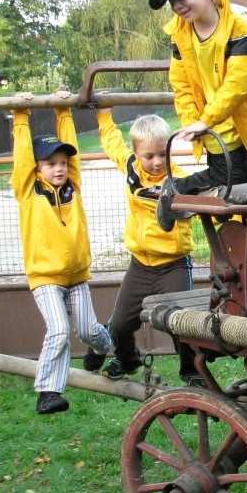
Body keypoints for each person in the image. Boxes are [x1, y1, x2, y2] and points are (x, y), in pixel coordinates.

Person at [149, 0, 247, 230]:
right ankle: (177, 190)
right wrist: (192, 122)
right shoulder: (180, 36)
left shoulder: (238, 30)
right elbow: (181, 84)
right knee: (226, 192)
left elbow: (239, 84)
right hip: (216, 131)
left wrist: (205, 119)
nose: (177, 5)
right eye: (171, 1)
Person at [10, 97, 113, 415]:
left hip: (77, 275)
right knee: (58, 330)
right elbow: (21, 158)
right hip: (45, 277)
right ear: (37, 168)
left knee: (89, 331)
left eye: (62, 163)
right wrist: (20, 116)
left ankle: (103, 347)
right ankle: (48, 391)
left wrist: (64, 111)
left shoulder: (73, 187)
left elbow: (74, 155)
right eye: (50, 164)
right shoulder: (29, 191)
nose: (59, 169)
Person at [96, 109, 201, 385]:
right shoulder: (132, 169)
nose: (157, 162)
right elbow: (112, 144)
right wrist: (103, 114)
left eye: (163, 154)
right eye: (149, 156)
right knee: (120, 323)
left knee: (180, 323)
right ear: (136, 153)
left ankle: (192, 372)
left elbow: (206, 207)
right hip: (140, 265)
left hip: (173, 265)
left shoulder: (180, 181)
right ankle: (128, 359)